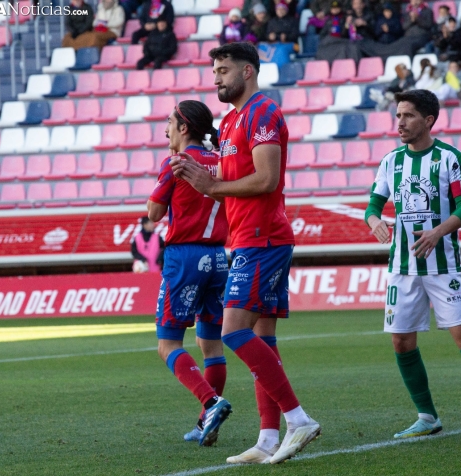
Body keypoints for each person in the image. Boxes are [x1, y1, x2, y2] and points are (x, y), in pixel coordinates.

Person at [171, 42, 321, 464]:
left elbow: (268, 178)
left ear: (248, 72)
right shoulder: (233, 119)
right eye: (215, 70)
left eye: (223, 70)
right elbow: (231, 173)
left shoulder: (262, 113)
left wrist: (213, 186)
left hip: (264, 238)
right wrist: (203, 174)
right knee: (261, 337)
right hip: (248, 239)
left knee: (233, 331)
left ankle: (299, 419)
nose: (216, 78)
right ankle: (269, 438)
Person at [364, 89, 461, 438]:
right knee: (401, 343)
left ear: (429, 120)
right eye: (398, 116)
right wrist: (374, 220)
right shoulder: (391, 161)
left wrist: (437, 232)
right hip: (402, 268)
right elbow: (372, 205)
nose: (400, 122)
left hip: (443, 266)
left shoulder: (450, 158)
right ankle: (427, 417)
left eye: (407, 116)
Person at [147, 100, 233, 446]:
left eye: (169, 122)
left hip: (184, 258)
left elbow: (154, 213)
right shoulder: (221, 162)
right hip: (218, 258)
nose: (166, 129)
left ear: (184, 128)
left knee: (167, 344)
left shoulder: (176, 163)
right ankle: (205, 425)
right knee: (211, 345)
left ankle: (211, 402)